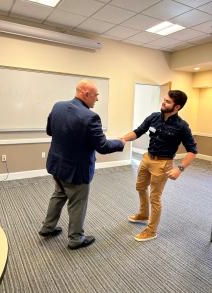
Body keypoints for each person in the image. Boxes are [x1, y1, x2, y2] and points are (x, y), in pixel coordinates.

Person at [39, 80, 125, 249]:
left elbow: (50, 131)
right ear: (85, 94)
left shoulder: (58, 106)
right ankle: (76, 238)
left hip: (57, 165)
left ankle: (47, 227)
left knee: (59, 194)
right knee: (77, 203)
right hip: (76, 171)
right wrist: (120, 142)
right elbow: (103, 146)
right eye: (96, 95)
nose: (97, 99)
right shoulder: (90, 117)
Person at [122, 90, 197, 242]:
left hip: (163, 164)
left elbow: (192, 151)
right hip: (147, 158)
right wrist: (123, 139)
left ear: (177, 107)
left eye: (168, 102)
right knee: (140, 187)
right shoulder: (154, 117)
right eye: (164, 100)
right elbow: (138, 131)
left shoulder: (182, 126)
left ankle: (151, 231)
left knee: (155, 197)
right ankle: (143, 214)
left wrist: (179, 169)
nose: (163, 102)